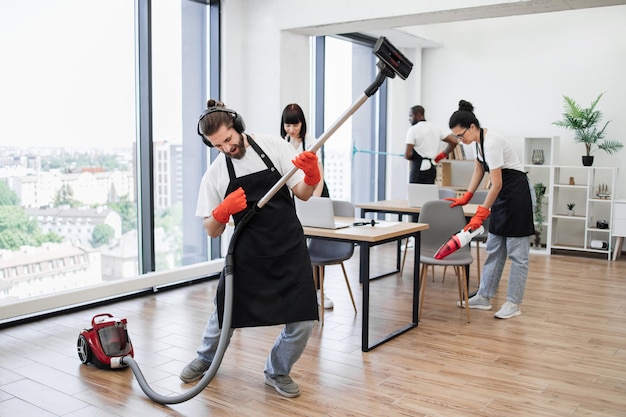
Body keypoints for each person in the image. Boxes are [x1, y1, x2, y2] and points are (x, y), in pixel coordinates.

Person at [180, 99, 320, 398]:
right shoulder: (216, 174)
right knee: (224, 314)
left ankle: (277, 370)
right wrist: (221, 212)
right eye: (217, 146)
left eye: (228, 140)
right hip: (247, 253)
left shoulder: (275, 147)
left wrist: (311, 175)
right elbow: (211, 230)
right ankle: (206, 358)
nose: (227, 148)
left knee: (304, 321)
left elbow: (304, 194)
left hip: (288, 247)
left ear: (238, 126)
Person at [445, 100, 534, 319]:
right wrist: (467, 195)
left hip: (516, 195)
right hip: (503, 195)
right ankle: (484, 296)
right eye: (456, 137)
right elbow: (478, 170)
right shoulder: (477, 142)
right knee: (494, 247)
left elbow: (497, 183)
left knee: (517, 254)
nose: (460, 140)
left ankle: (513, 303)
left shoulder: (492, 142)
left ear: (472, 127)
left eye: (460, 135)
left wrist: (480, 214)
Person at [280, 103, 334, 310]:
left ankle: (320, 291)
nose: (292, 130)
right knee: (296, 243)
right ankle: (297, 289)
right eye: (288, 125)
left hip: (314, 193)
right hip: (295, 194)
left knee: (317, 244)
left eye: (295, 125)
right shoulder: (283, 143)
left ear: (302, 124)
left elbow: (318, 175)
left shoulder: (310, 142)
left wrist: (313, 200)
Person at [404, 105, 459, 184]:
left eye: (411, 116)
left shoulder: (413, 130)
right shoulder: (436, 128)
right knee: (429, 195)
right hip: (432, 168)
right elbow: (454, 142)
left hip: (418, 170)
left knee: (415, 195)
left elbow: (407, 155)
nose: (409, 119)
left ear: (418, 115)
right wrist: (442, 155)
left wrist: (410, 156)